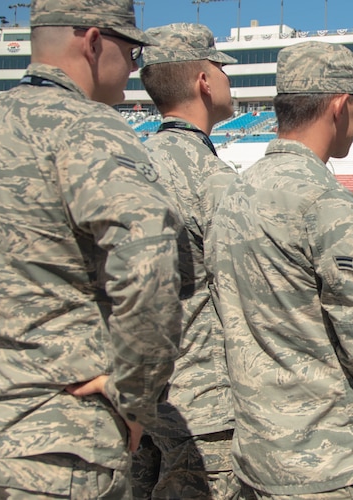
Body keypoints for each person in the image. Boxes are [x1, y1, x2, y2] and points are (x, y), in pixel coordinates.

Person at [0, 0, 184, 497]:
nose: (134, 70)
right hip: (55, 443)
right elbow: (149, 270)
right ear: (94, 42)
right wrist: (134, 396)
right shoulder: (91, 128)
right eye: (131, 52)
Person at [209, 40, 353, 498]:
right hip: (328, 458)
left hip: (257, 450)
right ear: (340, 106)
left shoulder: (234, 192)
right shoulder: (324, 200)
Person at [133, 23, 241, 499]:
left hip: (138, 392)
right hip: (203, 402)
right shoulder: (212, 178)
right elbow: (242, 291)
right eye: (221, 68)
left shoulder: (130, 162)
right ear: (203, 80)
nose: (226, 80)